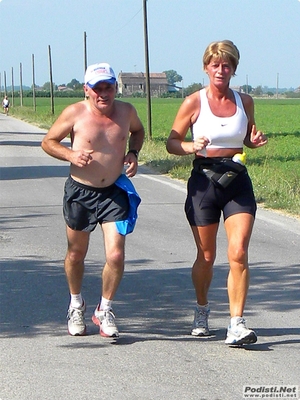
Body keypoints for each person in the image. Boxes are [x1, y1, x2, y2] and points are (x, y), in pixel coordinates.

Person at [166, 40, 267, 345]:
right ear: (206, 67)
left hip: (236, 180)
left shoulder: (245, 101)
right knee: (207, 256)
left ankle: (236, 323)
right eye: (215, 64)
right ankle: (201, 309)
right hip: (204, 182)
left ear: (234, 69)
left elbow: (245, 135)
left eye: (227, 65)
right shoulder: (193, 102)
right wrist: (189, 146)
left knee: (238, 252)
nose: (221, 70)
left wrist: (254, 140)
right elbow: (172, 142)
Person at [41, 63, 145, 337]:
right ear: (86, 90)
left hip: (114, 192)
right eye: (97, 88)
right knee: (76, 254)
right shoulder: (75, 113)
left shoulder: (126, 111)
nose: (103, 93)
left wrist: (133, 153)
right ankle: (76, 304)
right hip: (80, 192)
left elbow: (138, 131)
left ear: (115, 87)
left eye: (108, 87)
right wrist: (70, 155)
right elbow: (48, 141)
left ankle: (105, 308)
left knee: (116, 254)